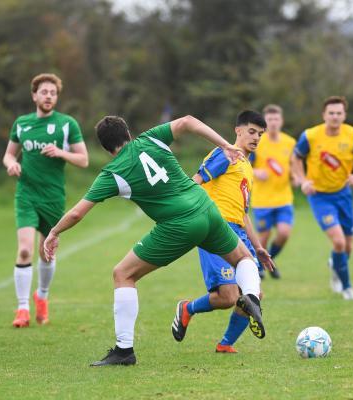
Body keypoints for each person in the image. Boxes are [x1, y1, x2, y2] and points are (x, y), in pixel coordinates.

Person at [43, 115, 269, 366]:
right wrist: (226, 144)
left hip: (179, 224)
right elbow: (188, 121)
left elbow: (76, 213)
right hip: (207, 208)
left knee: (123, 274)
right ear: (128, 133)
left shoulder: (113, 172)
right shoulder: (151, 138)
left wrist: (54, 232)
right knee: (243, 258)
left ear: (106, 149)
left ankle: (124, 350)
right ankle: (251, 296)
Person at [171, 110, 272, 354]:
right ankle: (187, 309)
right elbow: (195, 181)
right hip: (217, 229)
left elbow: (243, 213)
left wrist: (258, 247)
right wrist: (185, 212)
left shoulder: (246, 166)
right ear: (238, 131)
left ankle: (225, 344)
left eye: (260, 134)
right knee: (228, 297)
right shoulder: (226, 154)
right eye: (251, 132)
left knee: (254, 294)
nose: (256, 137)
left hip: (239, 232)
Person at [2, 73, 88, 328]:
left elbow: (83, 159)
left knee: (46, 253)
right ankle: (21, 309)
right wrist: (11, 164)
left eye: (53, 92)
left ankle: (42, 296)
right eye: (44, 91)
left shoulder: (66, 124)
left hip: (53, 197)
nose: (48, 96)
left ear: (56, 97)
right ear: (34, 95)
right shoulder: (22, 123)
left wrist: (61, 152)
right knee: (26, 249)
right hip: (26, 194)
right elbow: (8, 155)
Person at [291, 96, 353, 300]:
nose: (335, 117)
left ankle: (335, 265)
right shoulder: (310, 136)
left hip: (343, 194)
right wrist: (302, 181)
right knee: (339, 242)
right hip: (319, 197)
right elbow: (295, 158)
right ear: (324, 115)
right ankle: (346, 288)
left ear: (344, 115)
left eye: (339, 113)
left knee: (348, 246)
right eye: (331, 113)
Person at [249, 104, 296, 279]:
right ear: (265, 122)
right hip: (262, 200)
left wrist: (297, 177)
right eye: (270, 120)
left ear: (281, 121)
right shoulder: (257, 142)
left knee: (284, 233)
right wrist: (255, 172)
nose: (274, 122)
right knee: (264, 236)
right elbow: (244, 164)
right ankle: (263, 265)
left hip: (284, 198)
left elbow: (294, 166)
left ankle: (269, 261)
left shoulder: (290, 142)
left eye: (276, 119)